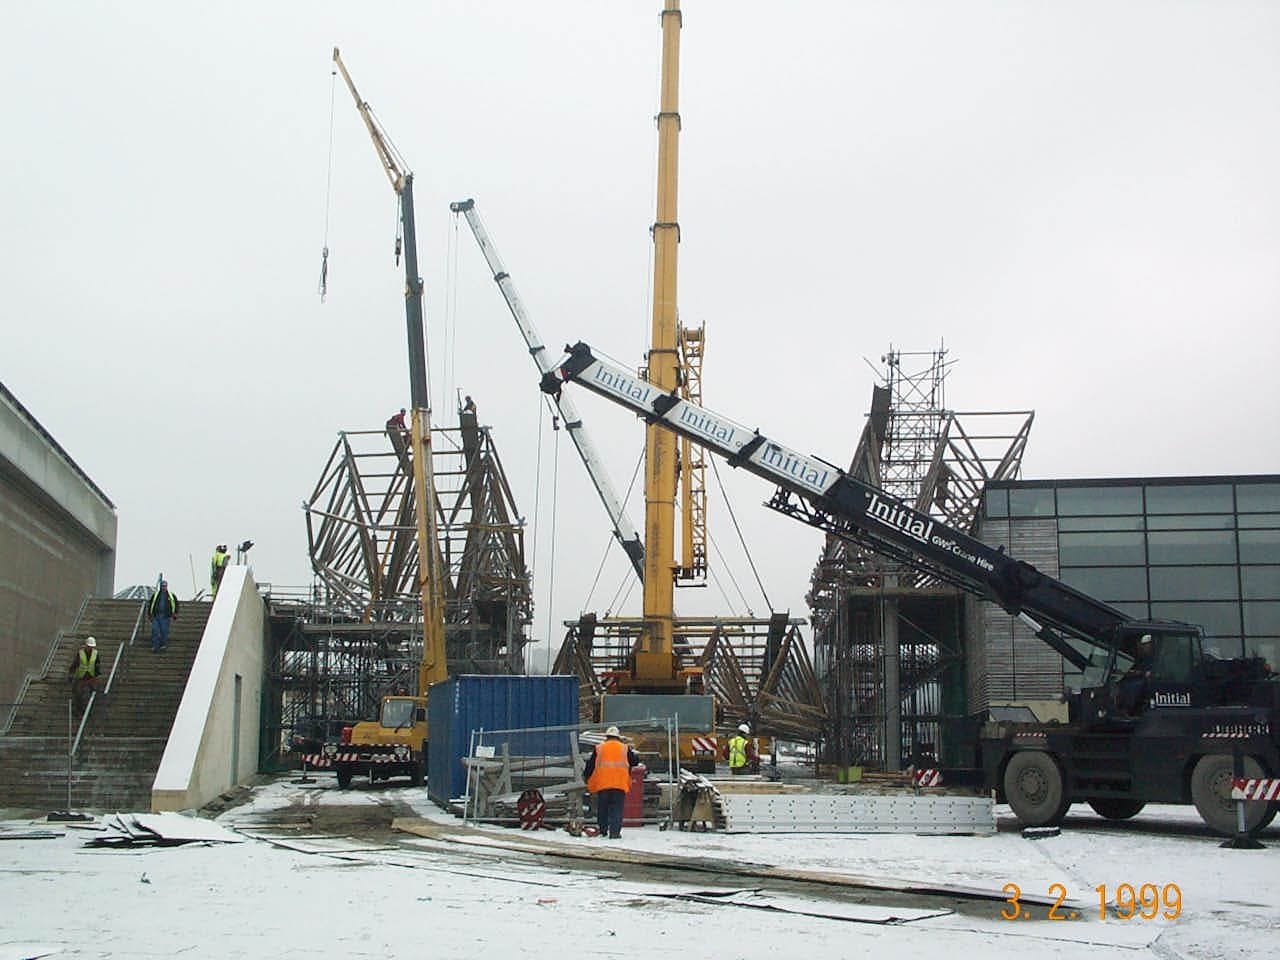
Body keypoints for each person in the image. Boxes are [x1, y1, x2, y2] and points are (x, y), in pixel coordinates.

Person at [583, 725, 639, 839]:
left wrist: (586, 777)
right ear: (618, 737)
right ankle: (615, 833)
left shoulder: (599, 748)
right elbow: (634, 762)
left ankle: (603, 831)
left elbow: (590, 766)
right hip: (619, 784)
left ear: (606, 737)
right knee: (617, 809)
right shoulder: (624, 748)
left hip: (603, 784)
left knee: (602, 808)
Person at [1117, 634, 1155, 715]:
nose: (1144, 647)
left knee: (1133, 686)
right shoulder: (1143, 657)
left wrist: (1138, 673)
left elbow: (1149, 672)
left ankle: (1128, 709)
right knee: (1123, 683)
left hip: (1149, 681)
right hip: (1141, 678)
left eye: (1146, 645)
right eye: (1143, 645)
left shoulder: (1154, 657)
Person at [67, 636, 104, 713]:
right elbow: (75, 664)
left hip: (91, 677)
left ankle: (90, 710)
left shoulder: (95, 653)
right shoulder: (80, 653)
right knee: (78, 693)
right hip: (81, 677)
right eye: (89, 646)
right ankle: (78, 710)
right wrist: (71, 674)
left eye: (91, 647)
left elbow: (97, 664)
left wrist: (97, 674)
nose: (90, 648)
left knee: (94, 692)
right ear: (86, 646)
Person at [149, 580, 180, 652]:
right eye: (162, 586)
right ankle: (155, 646)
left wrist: (175, 613)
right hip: (156, 616)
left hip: (165, 616)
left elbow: (176, 604)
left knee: (164, 631)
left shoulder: (171, 595)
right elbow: (151, 604)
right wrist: (150, 614)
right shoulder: (156, 595)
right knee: (155, 630)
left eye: (165, 586)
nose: (164, 587)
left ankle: (163, 645)